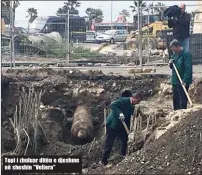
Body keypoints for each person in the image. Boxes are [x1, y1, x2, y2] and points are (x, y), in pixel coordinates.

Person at [100, 92, 143, 166]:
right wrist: (119, 113)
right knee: (109, 142)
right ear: (133, 98)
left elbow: (131, 114)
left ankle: (122, 155)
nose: (138, 103)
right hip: (112, 124)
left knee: (126, 140)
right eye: (138, 101)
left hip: (121, 126)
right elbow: (113, 105)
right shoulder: (124, 100)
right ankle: (104, 160)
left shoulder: (133, 105)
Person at [169, 39, 193, 111]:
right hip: (175, 80)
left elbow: (188, 68)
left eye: (174, 49)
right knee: (176, 99)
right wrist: (170, 63)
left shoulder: (186, 55)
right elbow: (172, 66)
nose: (174, 51)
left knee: (182, 99)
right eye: (172, 49)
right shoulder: (174, 55)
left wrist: (185, 80)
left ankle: (182, 113)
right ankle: (176, 113)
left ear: (178, 46)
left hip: (182, 80)